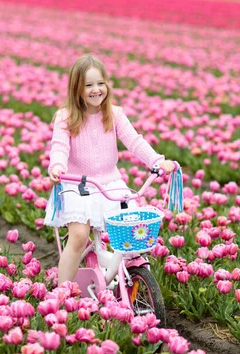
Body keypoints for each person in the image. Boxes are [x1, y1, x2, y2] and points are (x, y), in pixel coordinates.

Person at [44, 55, 176, 285]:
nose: (96, 89)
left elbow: (134, 141)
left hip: (110, 183)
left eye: (100, 83)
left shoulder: (114, 114)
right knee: (78, 236)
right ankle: (63, 291)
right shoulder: (65, 117)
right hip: (78, 185)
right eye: (88, 85)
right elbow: (59, 147)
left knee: (132, 230)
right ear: (77, 89)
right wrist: (57, 166)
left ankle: (121, 278)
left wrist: (157, 161)